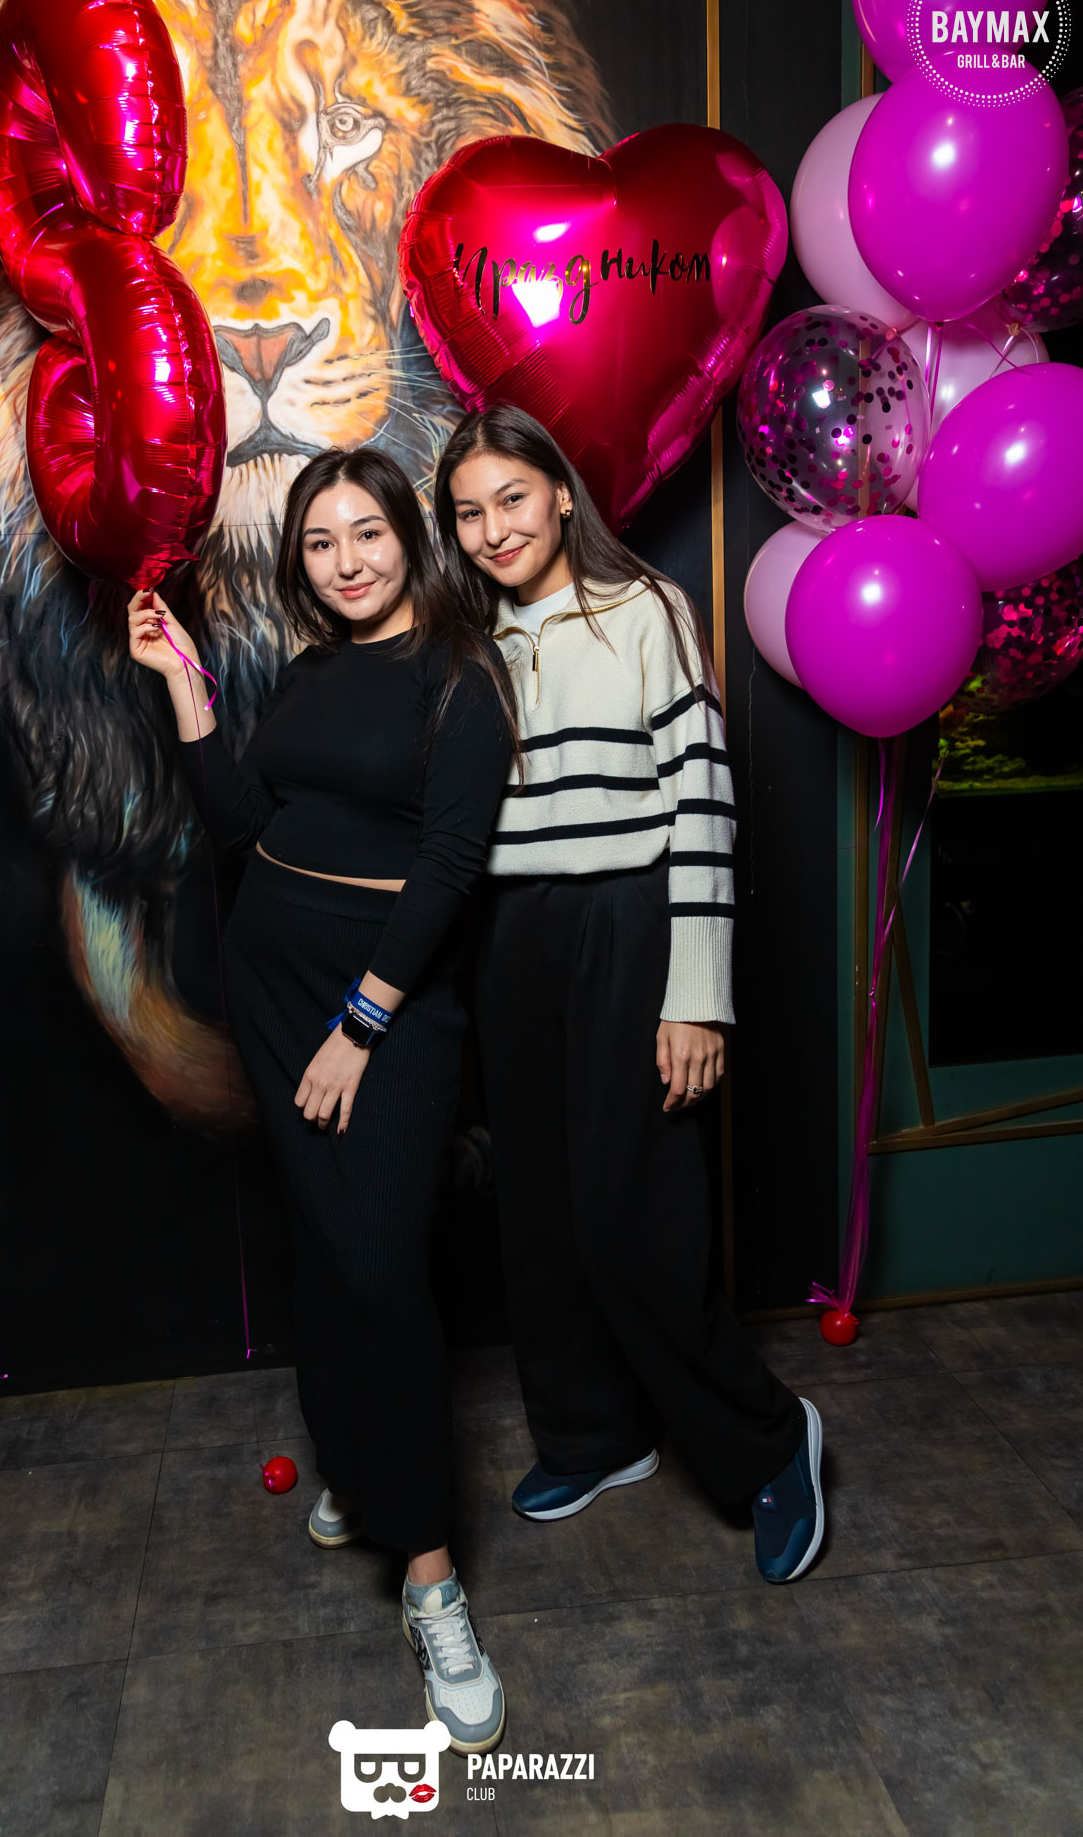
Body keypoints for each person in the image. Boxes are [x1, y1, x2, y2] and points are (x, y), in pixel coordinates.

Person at [128, 446, 516, 1749]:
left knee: (381, 1268)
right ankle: (355, 1457)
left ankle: (431, 1580)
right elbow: (242, 825)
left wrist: (363, 1024)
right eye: (319, 542)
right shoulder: (306, 674)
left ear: (412, 536)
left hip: (379, 1005)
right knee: (328, 1249)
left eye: (368, 533)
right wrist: (183, 687)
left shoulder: (461, 676)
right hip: (270, 986)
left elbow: (450, 867)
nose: (346, 562)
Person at [433, 404, 825, 1585]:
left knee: (633, 1217)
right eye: (467, 513)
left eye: (511, 499)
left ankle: (769, 1444)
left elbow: (701, 797)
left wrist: (694, 994)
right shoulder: (467, 642)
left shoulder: (644, 608)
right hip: (512, 932)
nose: (493, 529)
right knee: (538, 1213)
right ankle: (591, 1437)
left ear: (559, 494)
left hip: (628, 918)